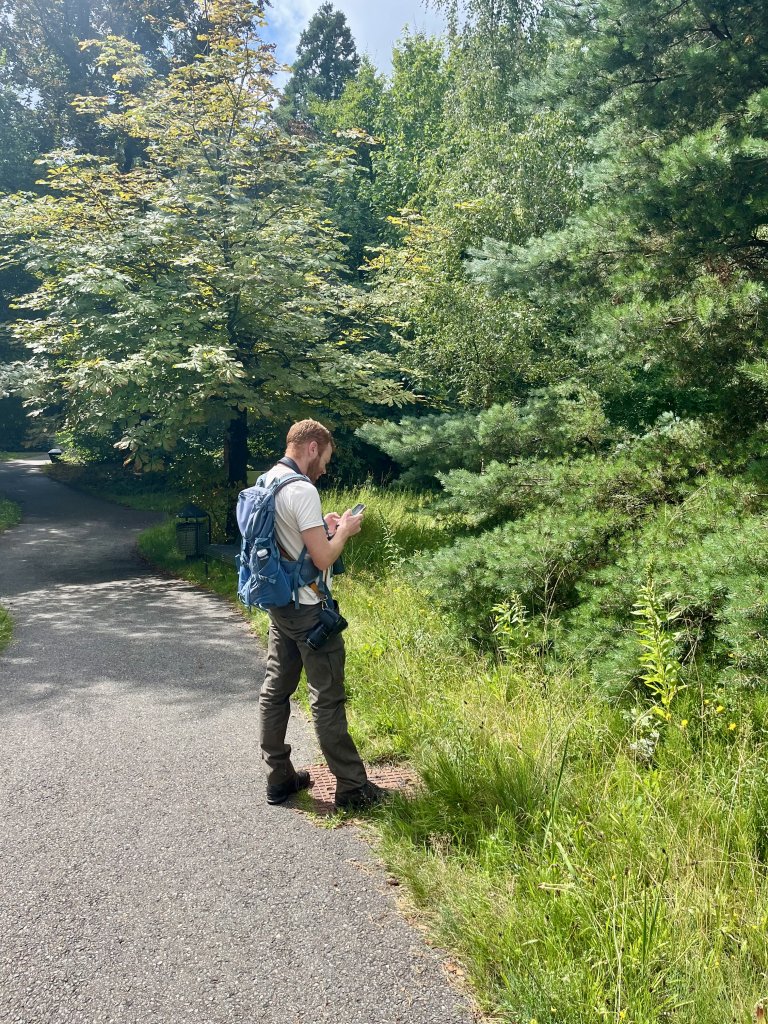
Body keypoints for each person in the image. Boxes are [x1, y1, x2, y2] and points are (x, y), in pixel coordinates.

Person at [258, 419, 387, 811]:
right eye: (326, 459)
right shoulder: (302, 489)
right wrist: (344, 530)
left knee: (275, 691)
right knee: (327, 699)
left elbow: (290, 542)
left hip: (280, 605)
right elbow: (323, 557)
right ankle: (352, 788)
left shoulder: (268, 480)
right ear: (312, 447)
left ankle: (279, 778)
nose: (325, 469)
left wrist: (326, 527)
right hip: (310, 612)